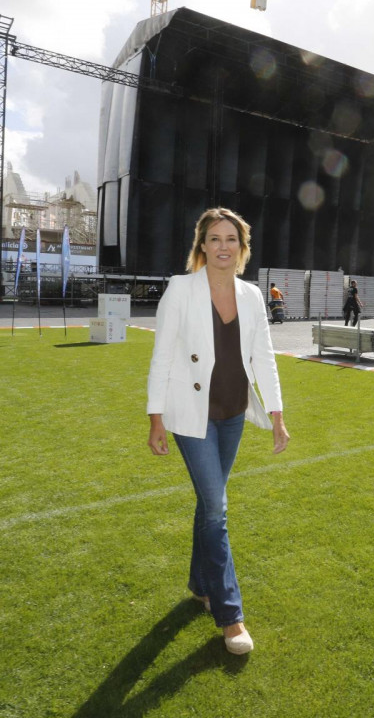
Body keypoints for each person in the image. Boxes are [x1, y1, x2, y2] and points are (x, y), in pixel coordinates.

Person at [146, 207, 290, 656]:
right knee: (217, 510)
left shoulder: (252, 295)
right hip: (192, 417)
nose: (223, 246)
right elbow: (162, 355)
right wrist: (155, 418)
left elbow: (264, 357)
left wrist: (277, 414)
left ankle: (199, 584)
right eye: (214, 238)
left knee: (209, 506)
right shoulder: (181, 289)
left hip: (233, 414)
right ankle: (230, 616)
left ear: (242, 248)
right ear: (202, 246)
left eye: (231, 239)